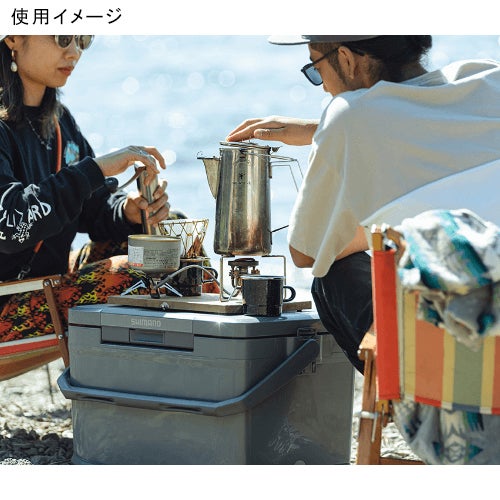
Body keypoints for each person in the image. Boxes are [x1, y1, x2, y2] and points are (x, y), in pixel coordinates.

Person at [227, 35, 500, 373]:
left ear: (346, 58)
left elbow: (308, 252)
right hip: (493, 355)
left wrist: (378, 231)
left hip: (449, 368)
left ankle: (406, 391)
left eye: (315, 68)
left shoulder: (347, 116)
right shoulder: (488, 78)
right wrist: (320, 131)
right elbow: (430, 124)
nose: (323, 87)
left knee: (331, 273)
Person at [0, 35, 174, 342]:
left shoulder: (59, 122)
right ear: (13, 37)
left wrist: (129, 211)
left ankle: (214, 353)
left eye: (83, 40)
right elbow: (12, 227)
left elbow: (93, 208)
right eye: (62, 38)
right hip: (7, 303)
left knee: (171, 243)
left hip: (46, 285)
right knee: (133, 275)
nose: (74, 52)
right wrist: (96, 169)